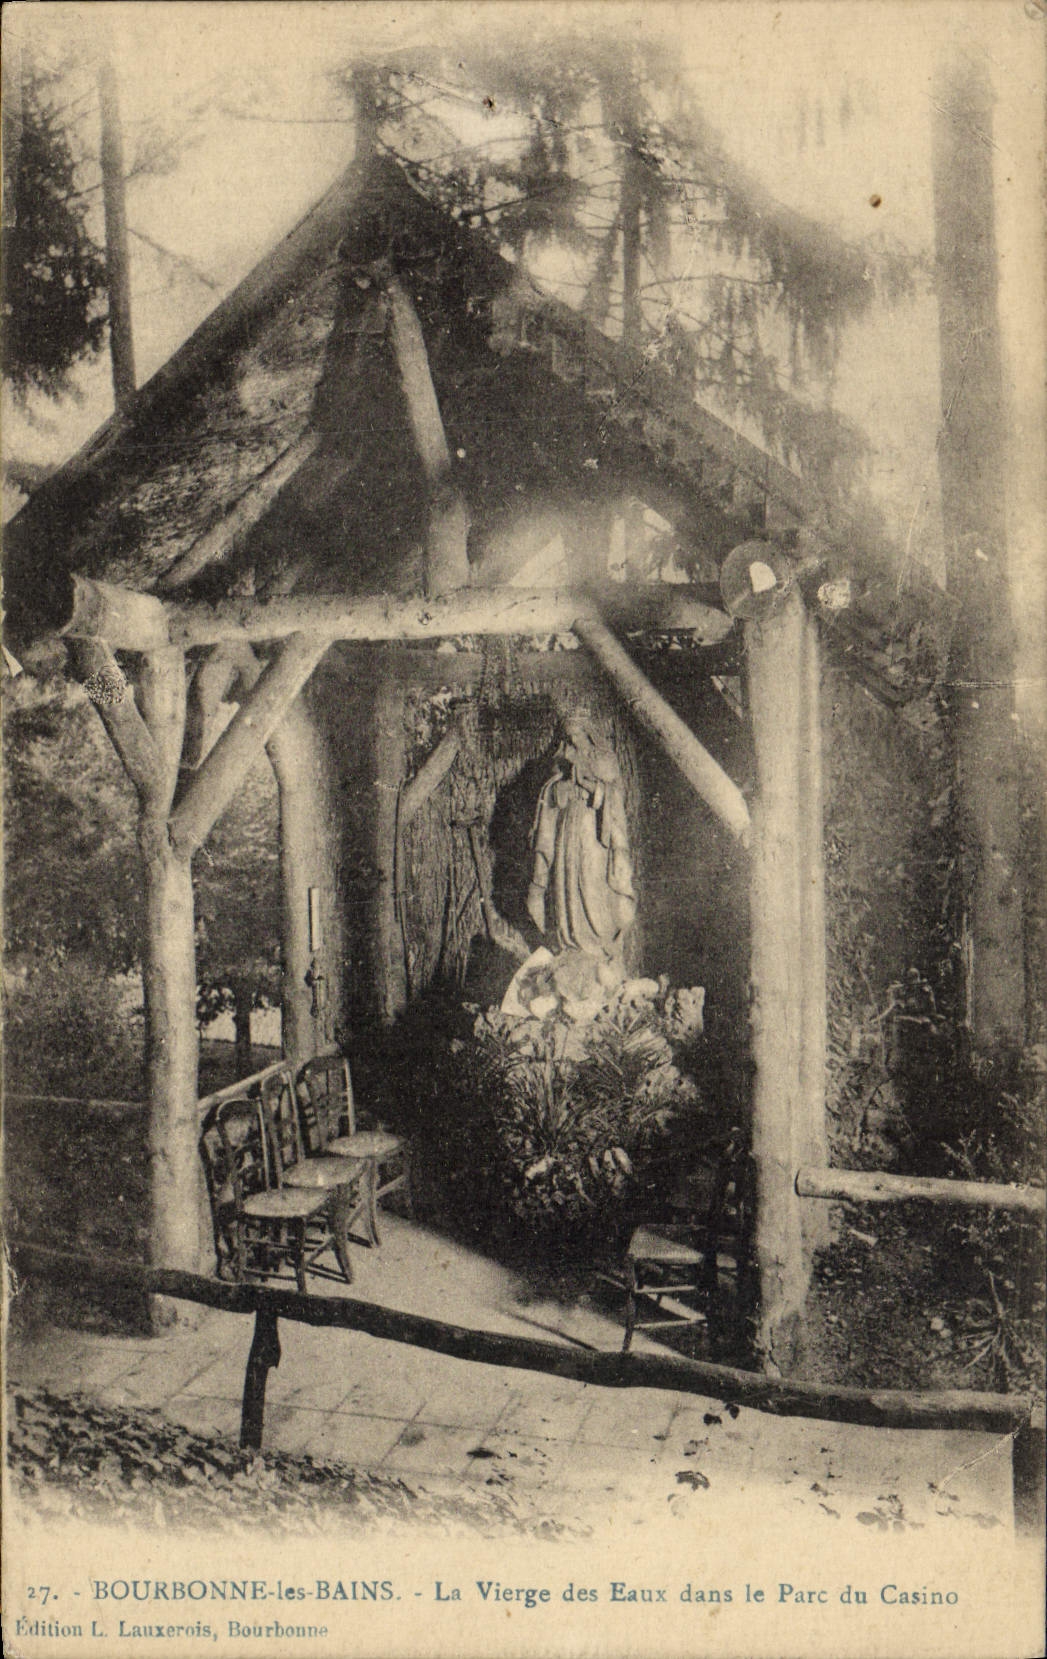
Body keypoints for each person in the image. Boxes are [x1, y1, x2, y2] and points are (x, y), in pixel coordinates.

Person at [526, 721, 636, 963]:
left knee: (591, 878)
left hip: (593, 829)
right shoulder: (563, 758)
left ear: (588, 731)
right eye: (569, 733)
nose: (574, 736)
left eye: (577, 731)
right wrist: (561, 789)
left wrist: (590, 787)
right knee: (567, 878)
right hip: (567, 826)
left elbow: (615, 794)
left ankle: (598, 941)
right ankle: (571, 941)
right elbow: (550, 793)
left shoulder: (605, 759)